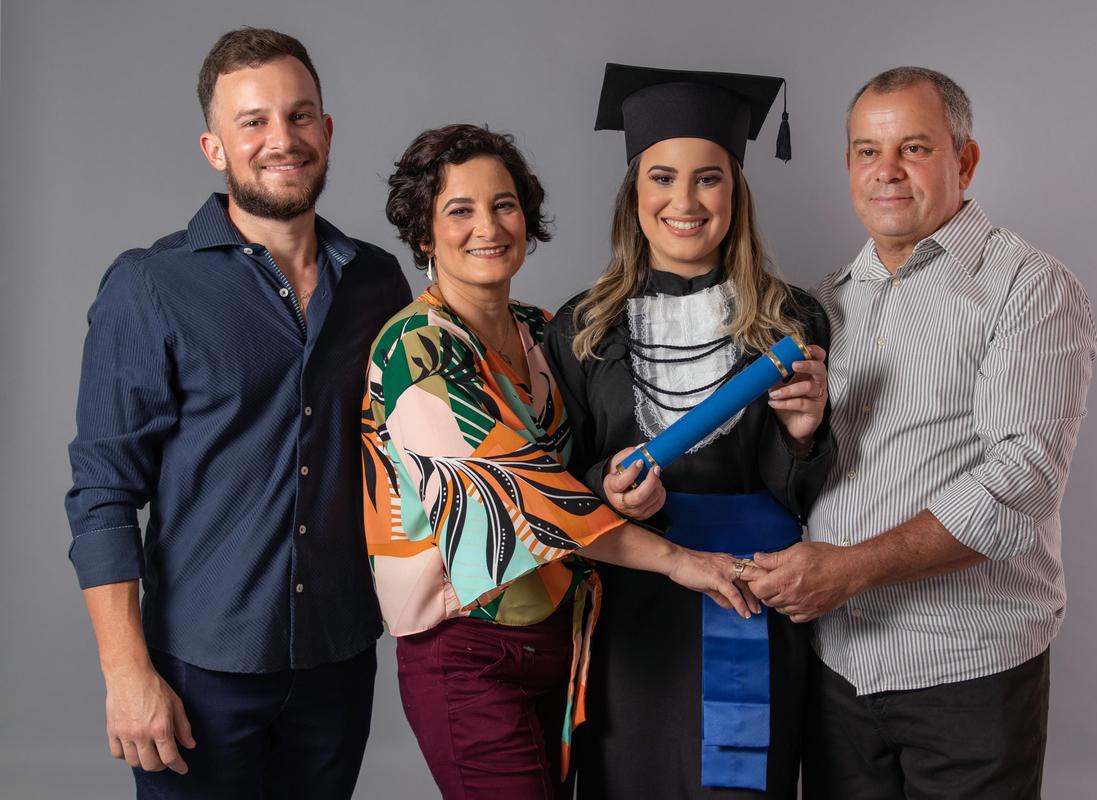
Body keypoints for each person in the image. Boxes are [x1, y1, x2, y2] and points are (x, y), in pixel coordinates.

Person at [362, 123, 765, 800]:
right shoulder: (417, 348)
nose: (488, 225)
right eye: (459, 210)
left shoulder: (545, 331)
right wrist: (678, 559)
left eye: (504, 204)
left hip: (562, 645)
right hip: (468, 650)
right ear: (425, 235)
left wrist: (613, 484)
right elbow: (518, 497)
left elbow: (577, 476)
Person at [64, 28, 411, 799]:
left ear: (327, 131)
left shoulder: (379, 284)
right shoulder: (149, 287)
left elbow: (412, 451)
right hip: (199, 670)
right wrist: (126, 672)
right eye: (253, 121)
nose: (280, 139)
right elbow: (103, 493)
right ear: (214, 147)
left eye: (299, 116)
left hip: (338, 655)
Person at [746, 67, 1097, 799]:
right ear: (847, 166)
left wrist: (849, 569)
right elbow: (807, 474)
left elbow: (1021, 476)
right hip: (839, 667)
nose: (888, 173)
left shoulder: (1027, 287)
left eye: (914, 148)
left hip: (966, 668)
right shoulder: (819, 308)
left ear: (963, 161)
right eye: (867, 152)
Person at [543, 64, 834, 799]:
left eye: (708, 178)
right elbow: (555, 483)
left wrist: (803, 434)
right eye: (662, 177)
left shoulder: (791, 321)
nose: (684, 201)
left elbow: (810, 493)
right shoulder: (582, 326)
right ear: (633, 194)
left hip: (751, 591)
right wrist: (603, 490)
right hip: (632, 606)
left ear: (735, 193)